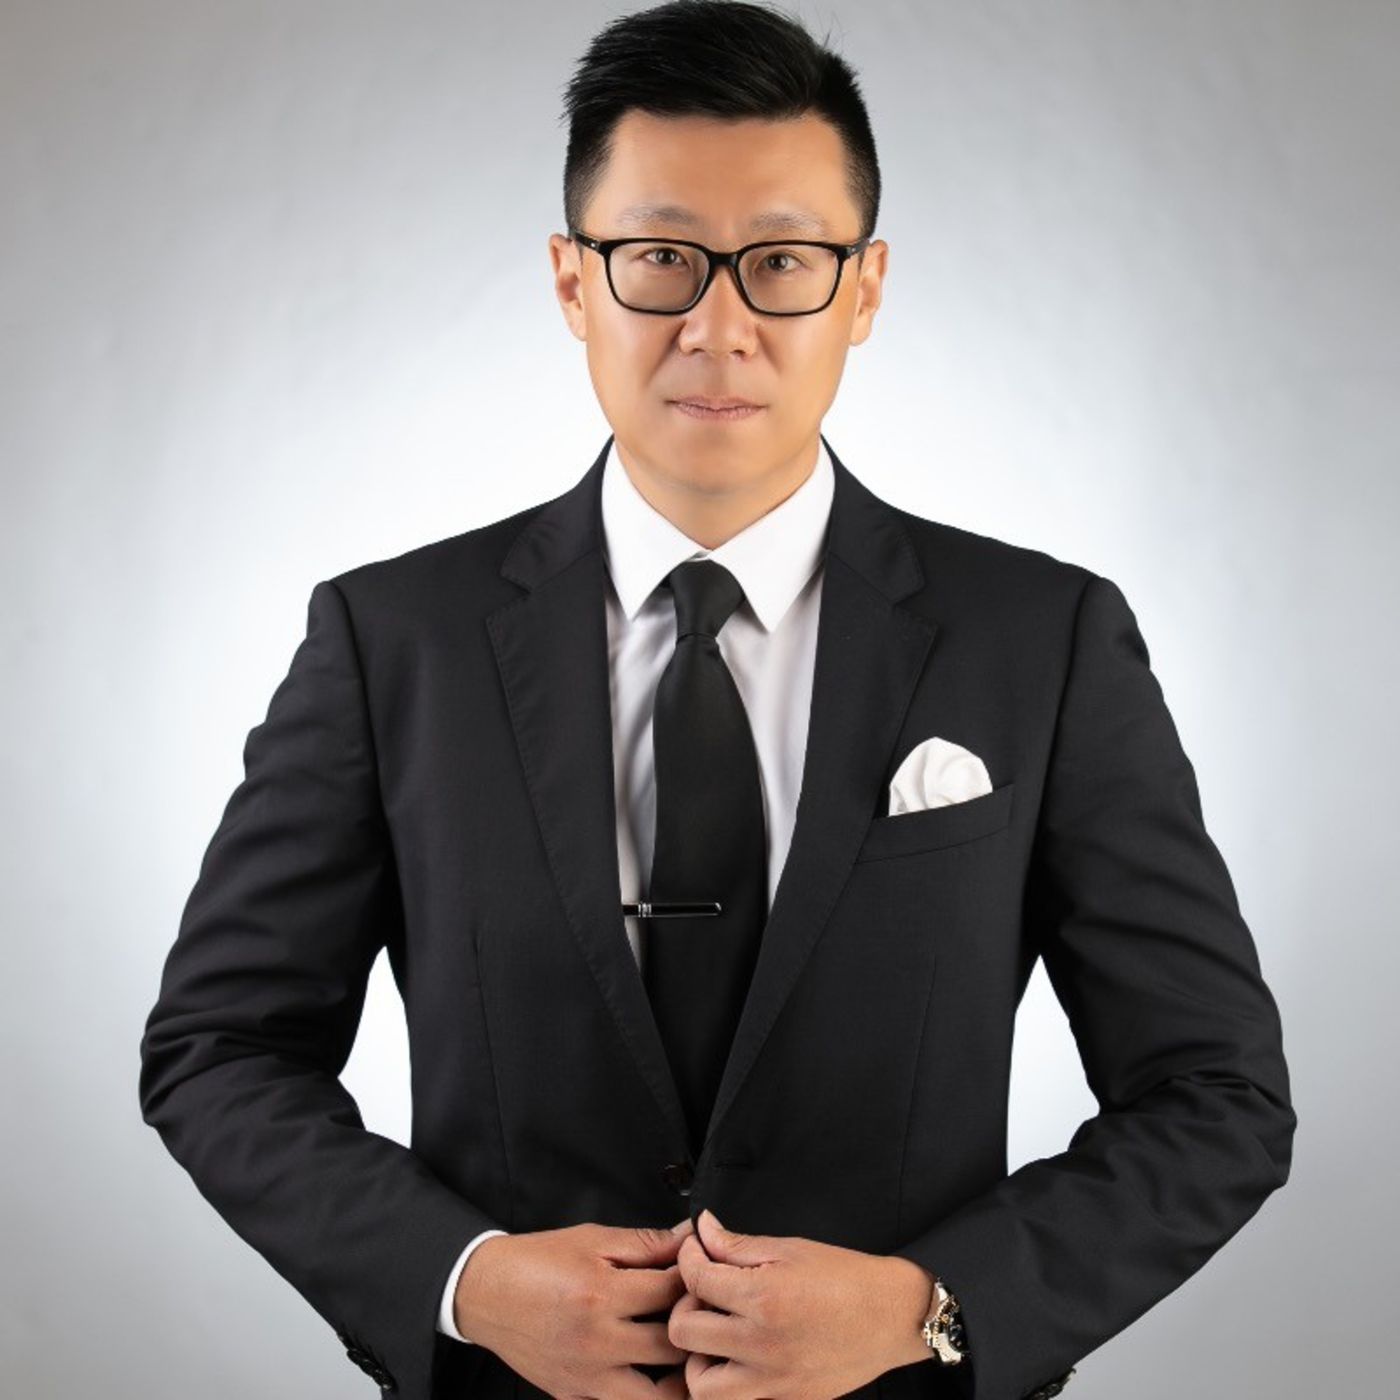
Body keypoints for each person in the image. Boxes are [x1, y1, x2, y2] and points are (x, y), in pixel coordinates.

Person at [137, 3, 1296, 1399]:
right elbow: (222, 1049)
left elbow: (1217, 1095)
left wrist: (932, 1311)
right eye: (661, 258)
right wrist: (463, 1283)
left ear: (864, 290)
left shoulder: (1041, 641)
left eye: (784, 262)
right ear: (573, 282)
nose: (719, 325)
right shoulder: (393, 643)